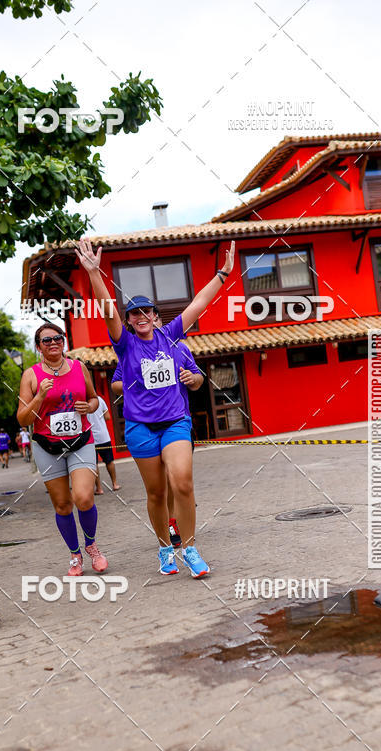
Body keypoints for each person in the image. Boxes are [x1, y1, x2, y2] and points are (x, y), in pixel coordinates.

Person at [76, 236, 235, 577]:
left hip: (175, 421)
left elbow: (199, 304)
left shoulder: (172, 335)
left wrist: (222, 274)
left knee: (183, 483)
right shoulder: (125, 344)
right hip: (140, 427)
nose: (142, 316)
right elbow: (106, 309)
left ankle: (190, 548)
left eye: (147, 311)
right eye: (135, 313)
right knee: (156, 492)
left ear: (155, 315)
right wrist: (93, 273)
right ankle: (165, 548)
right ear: (130, 320)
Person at [17, 322, 108, 576]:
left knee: (83, 497)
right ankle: (75, 554)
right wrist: (39, 397)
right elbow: (23, 419)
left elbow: (94, 398)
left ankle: (92, 547)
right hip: (47, 446)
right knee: (62, 505)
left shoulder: (80, 367)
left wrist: (89, 408)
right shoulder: (31, 375)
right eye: (47, 340)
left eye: (58, 337)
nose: (54, 342)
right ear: (38, 347)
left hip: (80, 441)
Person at [111, 324, 204, 546]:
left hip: (178, 422)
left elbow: (199, 379)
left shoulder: (181, 349)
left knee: (179, 480)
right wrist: (136, 387)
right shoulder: (133, 353)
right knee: (159, 486)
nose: (153, 328)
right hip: (146, 425)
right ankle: (167, 530)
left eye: (156, 322)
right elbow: (115, 383)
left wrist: (193, 379)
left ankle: (176, 522)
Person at [86, 392, 121, 493]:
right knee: (109, 461)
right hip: (103, 436)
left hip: (89, 438)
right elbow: (107, 417)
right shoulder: (100, 400)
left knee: (94, 464)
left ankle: (99, 488)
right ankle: (115, 484)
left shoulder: (81, 402)